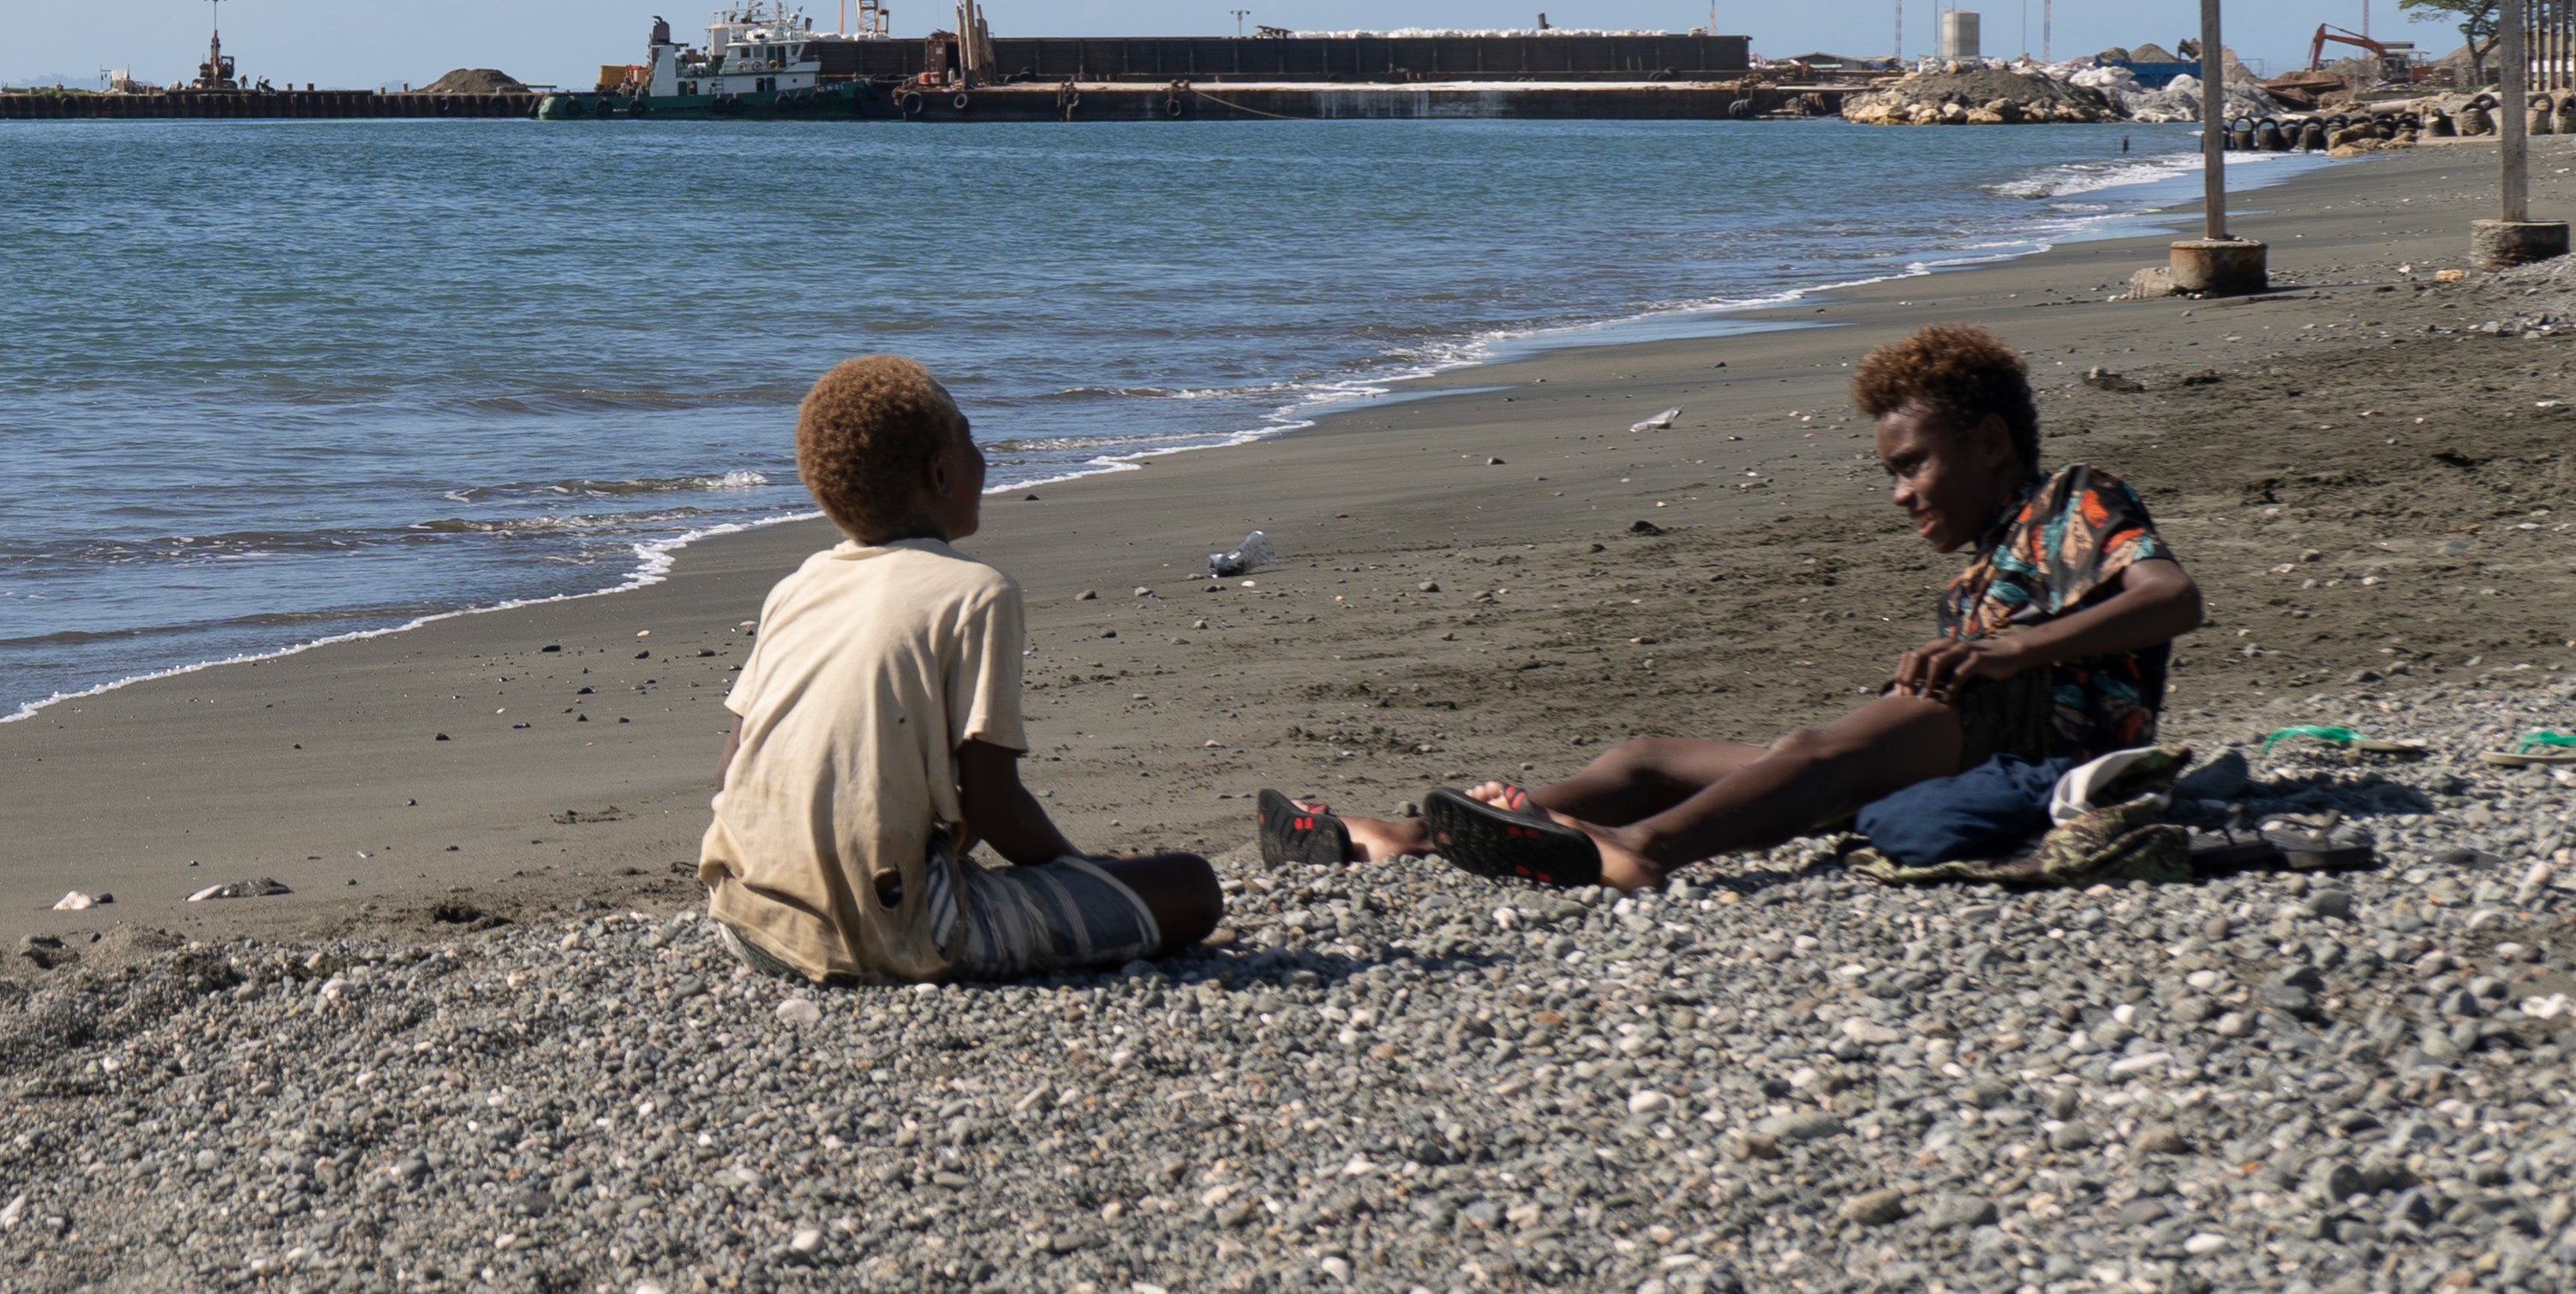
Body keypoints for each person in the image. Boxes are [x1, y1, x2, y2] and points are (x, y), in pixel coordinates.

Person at [1256, 324, 2201, 893]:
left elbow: (2170, 597)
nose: (1900, 494)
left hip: (2045, 751)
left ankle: (1641, 849)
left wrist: (2010, 653)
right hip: (1965, 747)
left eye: (1910, 466)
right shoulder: (1979, 569)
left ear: (1990, 442)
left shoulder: (2072, 499)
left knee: (1817, 751)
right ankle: (1409, 840)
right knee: (1646, 755)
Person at [700, 354, 1225, 980]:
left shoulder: (797, 586)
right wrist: (1082, 872)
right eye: (970, 439)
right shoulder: (976, 593)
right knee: (1191, 885)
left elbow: (732, 767)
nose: (984, 457)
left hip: (745, 920)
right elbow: (993, 802)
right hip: (894, 933)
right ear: (942, 473)